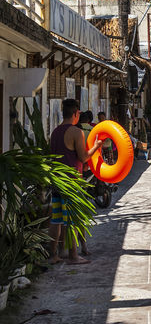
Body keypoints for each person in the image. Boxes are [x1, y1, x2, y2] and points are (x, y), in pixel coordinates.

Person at [48, 98, 104, 264]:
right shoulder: (75, 132)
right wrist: (96, 146)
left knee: (56, 219)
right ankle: (73, 256)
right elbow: (83, 156)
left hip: (57, 180)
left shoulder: (55, 132)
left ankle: (53, 255)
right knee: (72, 219)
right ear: (75, 114)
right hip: (72, 182)